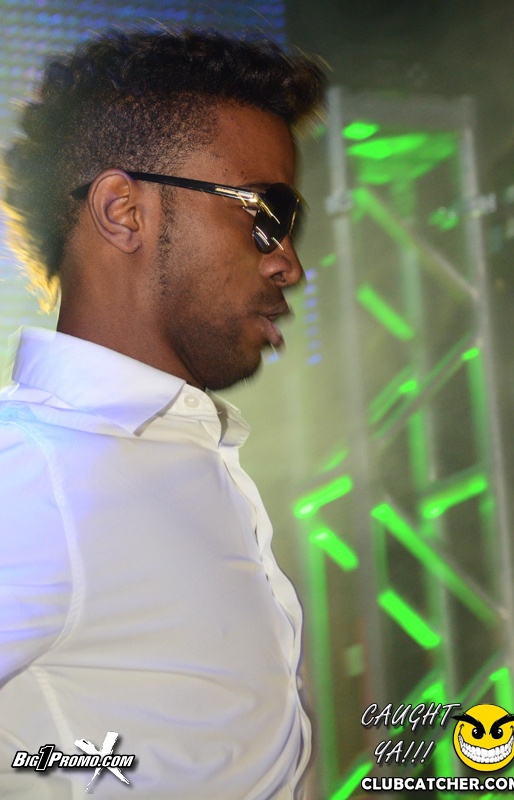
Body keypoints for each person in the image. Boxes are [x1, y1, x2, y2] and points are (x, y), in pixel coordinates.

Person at [0, 28, 325, 800]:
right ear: (124, 212)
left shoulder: (170, 453)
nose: (288, 261)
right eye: (265, 213)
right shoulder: (37, 473)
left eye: (289, 222)